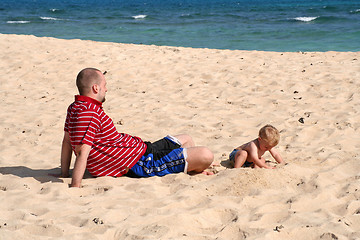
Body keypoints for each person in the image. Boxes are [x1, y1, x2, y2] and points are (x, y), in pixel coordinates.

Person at [60, 68, 214, 187]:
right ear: (95, 88)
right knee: (206, 154)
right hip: (140, 164)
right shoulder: (89, 113)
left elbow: (67, 142)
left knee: (186, 138)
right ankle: (194, 168)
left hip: (142, 150)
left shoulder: (75, 107)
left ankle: (193, 170)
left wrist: (65, 173)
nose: (106, 89)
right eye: (104, 85)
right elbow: (82, 151)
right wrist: (75, 185)